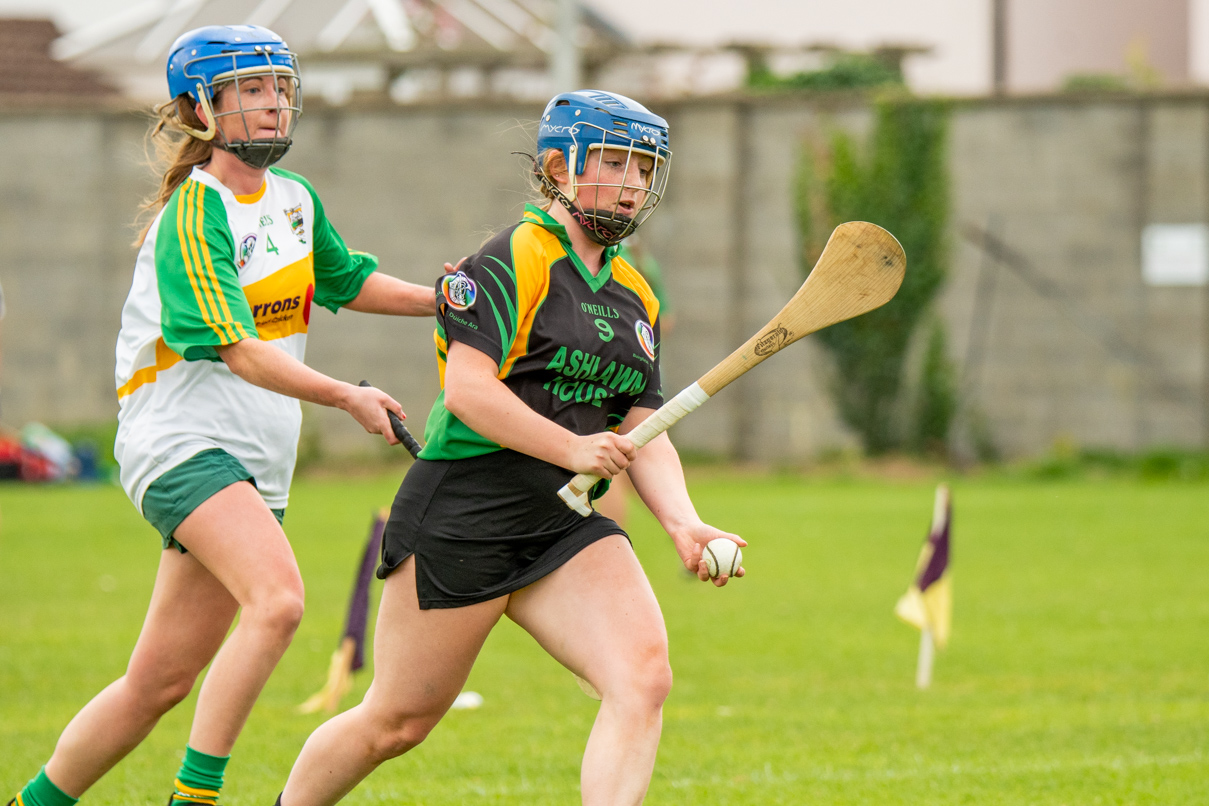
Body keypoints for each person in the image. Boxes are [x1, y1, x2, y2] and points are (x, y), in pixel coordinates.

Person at [7, 25, 447, 806]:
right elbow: (238, 351)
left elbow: (343, 281)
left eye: (279, 87)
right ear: (201, 109)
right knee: (277, 603)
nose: (273, 103)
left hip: (254, 461)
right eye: (250, 90)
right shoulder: (194, 212)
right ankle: (196, 797)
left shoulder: (295, 199)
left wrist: (444, 300)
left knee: (157, 683)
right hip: (180, 447)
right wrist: (348, 394)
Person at [270, 89, 745, 806]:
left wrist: (683, 522)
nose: (632, 183)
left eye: (644, 169)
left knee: (641, 677)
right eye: (614, 162)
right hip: (465, 513)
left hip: (564, 525)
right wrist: (573, 448)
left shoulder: (635, 295)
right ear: (558, 166)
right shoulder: (508, 260)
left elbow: (645, 426)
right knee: (396, 723)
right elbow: (467, 392)